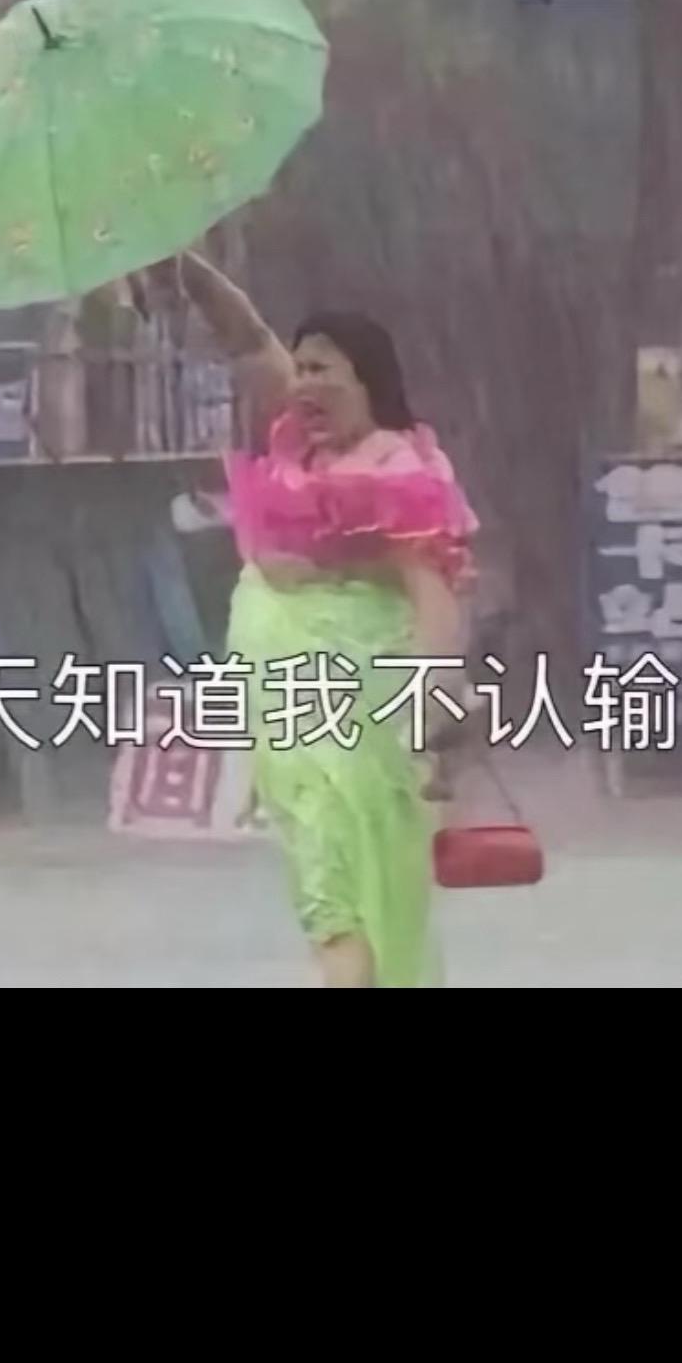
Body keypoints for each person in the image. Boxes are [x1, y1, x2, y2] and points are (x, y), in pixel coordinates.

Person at [151, 249, 479, 989]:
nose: (304, 384)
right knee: (327, 886)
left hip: (355, 713)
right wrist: (187, 270)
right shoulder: (296, 449)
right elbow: (246, 340)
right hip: (288, 711)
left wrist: (436, 693)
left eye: (323, 369)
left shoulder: (399, 472)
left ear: (368, 382)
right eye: (299, 369)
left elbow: (430, 588)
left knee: (346, 891)